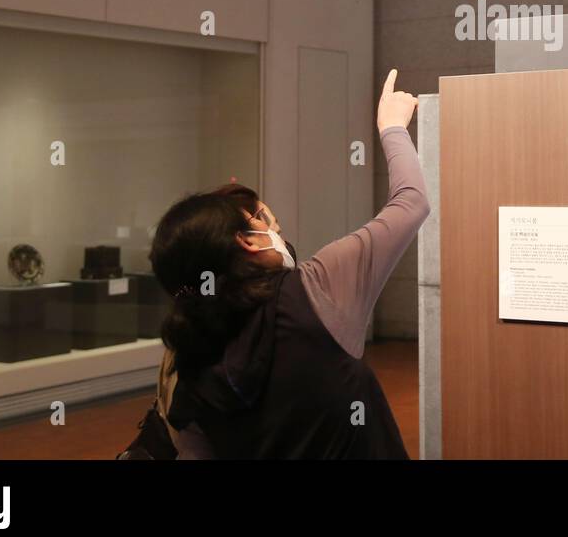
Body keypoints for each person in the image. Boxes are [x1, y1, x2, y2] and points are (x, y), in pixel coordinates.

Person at [146, 69, 428, 458]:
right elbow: (411, 203)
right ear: (245, 242)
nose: (276, 227)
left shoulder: (187, 362)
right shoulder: (317, 288)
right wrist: (392, 127)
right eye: (263, 220)